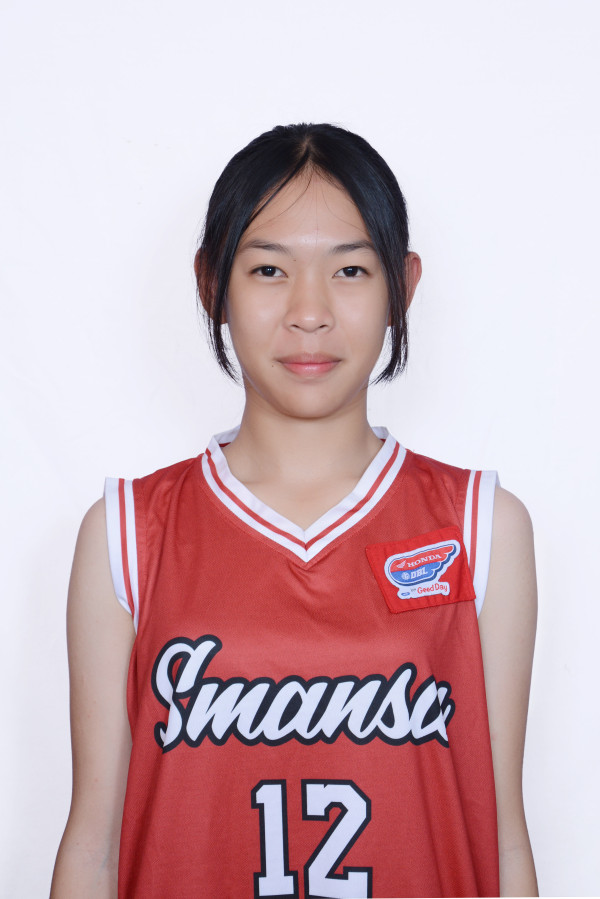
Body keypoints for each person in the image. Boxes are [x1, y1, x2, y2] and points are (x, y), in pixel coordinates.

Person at [51, 123, 538, 898]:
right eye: (269, 269)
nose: (309, 312)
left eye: (350, 269)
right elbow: (93, 846)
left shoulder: (481, 525)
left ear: (403, 285)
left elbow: (500, 834)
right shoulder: (127, 532)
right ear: (211, 283)